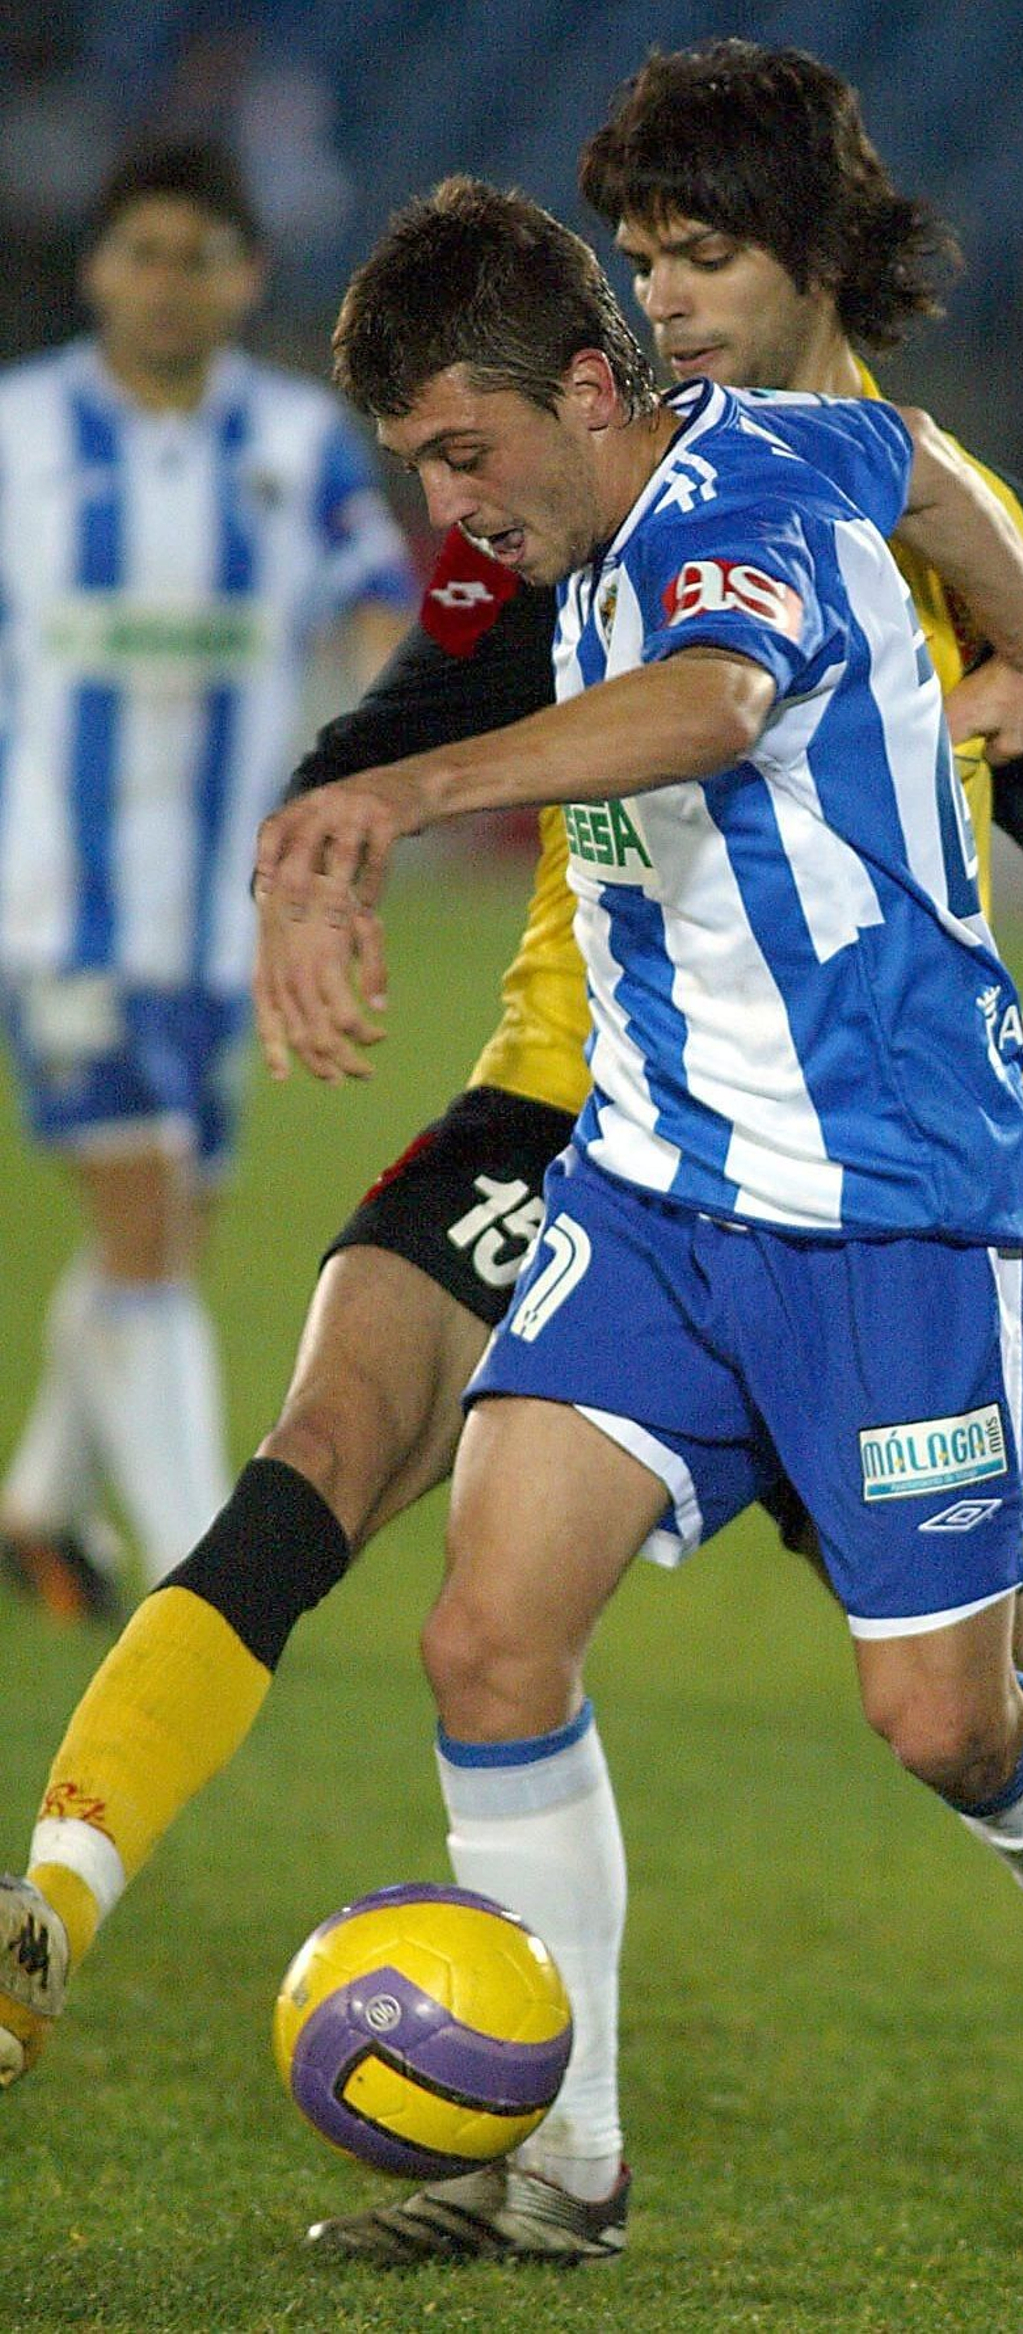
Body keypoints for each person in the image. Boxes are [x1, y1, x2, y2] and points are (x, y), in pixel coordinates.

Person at [0, 50, 1023, 2271]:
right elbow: (880, 498)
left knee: (943, 1718)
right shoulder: (649, 487)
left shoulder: (738, 510)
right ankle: (528, 2159)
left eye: (703, 262)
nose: (456, 508)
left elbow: (736, 704)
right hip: (635, 1165)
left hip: (888, 1194)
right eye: (651, 261)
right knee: (472, 1623)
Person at [0, 137, 414, 1615]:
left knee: (164, 1227)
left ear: (248, 275)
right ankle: (205, 1576)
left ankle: (39, 1506)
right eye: (143, 251)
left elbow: (381, 606)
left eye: (201, 254)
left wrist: (386, 739)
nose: (170, 282)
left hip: (222, 921)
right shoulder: (18, 433)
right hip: (51, 909)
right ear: (99, 266)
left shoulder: (295, 444)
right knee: (145, 1225)